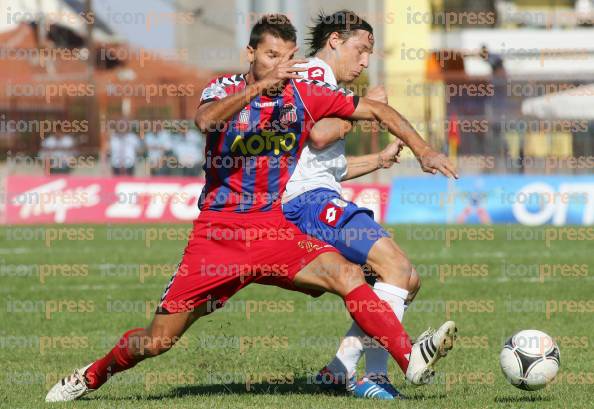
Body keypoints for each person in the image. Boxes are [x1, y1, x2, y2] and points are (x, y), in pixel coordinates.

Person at [46, 15, 457, 403]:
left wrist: (424, 150)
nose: (280, 65)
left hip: (273, 230)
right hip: (217, 238)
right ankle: (91, 375)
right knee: (158, 341)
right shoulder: (223, 87)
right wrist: (260, 88)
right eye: (270, 56)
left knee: (348, 274)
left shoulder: (304, 93)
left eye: (287, 57)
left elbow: (378, 110)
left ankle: (409, 359)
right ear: (250, 54)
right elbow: (205, 121)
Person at [282, 10, 447, 399]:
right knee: (396, 268)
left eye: (370, 54)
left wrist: (378, 160)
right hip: (306, 203)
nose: (364, 62)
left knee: (407, 282)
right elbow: (321, 135)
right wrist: (366, 107)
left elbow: (324, 162)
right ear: (335, 41)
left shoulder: (323, 84)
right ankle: (374, 376)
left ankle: (338, 369)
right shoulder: (313, 73)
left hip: (317, 195)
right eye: (361, 50)